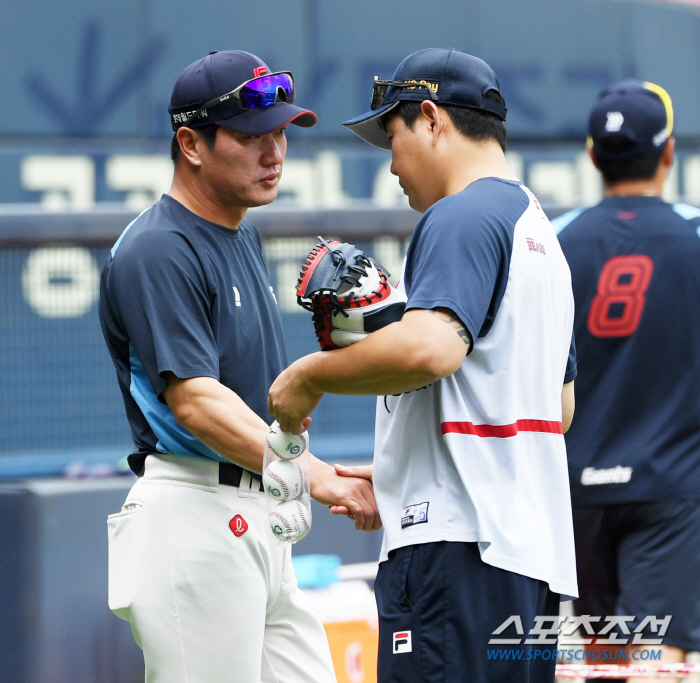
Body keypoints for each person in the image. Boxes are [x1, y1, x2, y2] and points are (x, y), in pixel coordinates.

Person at [269, 48, 578, 683]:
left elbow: (431, 350)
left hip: (455, 554)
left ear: (432, 119)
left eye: (393, 135)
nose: (391, 165)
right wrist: (407, 468)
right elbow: (560, 408)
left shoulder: (460, 215)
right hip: (526, 561)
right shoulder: (540, 231)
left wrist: (308, 376)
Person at [98, 49, 380, 683]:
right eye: (252, 136)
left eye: (280, 133)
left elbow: (257, 407)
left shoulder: (240, 232)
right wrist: (315, 475)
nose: (274, 151)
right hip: (193, 514)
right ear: (191, 143)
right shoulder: (156, 248)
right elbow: (197, 402)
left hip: (260, 517)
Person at [554, 80, 700, 679]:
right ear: (669, 154)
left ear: (593, 157)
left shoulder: (553, 242)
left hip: (576, 488)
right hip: (670, 487)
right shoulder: (694, 234)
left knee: (604, 661)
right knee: (653, 661)